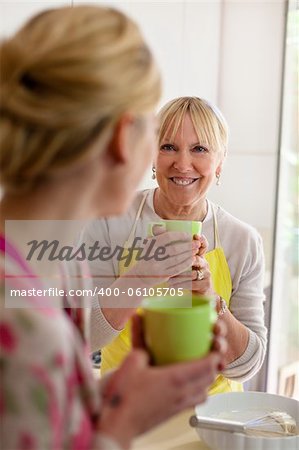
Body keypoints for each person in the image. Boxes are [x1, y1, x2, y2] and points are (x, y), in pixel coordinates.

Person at [0, 7, 227, 450]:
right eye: (157, 135)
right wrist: (122, 428)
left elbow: (48, 414)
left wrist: (127, 392)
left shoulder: (58, 265)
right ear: (125, 137)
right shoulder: (24, 323)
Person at [82, 96, 267, 394]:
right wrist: (139, 277)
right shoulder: (110, 219)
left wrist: (210, 300)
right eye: (168, 146)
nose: (182, 164)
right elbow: (83, 336)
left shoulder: (242, 241)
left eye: (200, 149)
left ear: (219, 162)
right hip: (128, 413)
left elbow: (247, 364)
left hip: (211, 420)